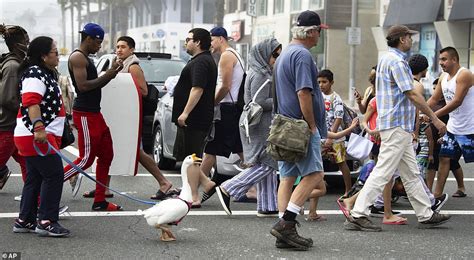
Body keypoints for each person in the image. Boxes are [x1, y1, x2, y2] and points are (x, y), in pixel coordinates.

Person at [344, 25, 450, 232]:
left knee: (410, 172)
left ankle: (426, 213)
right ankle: (358, 213)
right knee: (383, 171)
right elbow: (411, 93)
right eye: (409, 37)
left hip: (393, 124)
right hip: (397, 125)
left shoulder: (385, 59)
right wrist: (434, 119)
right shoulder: (398, 62)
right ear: (402, 39)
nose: (411, 40)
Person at [269, 10, 328, 251]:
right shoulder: (302, 56)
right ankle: (287, 223)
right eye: (319, 32)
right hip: (300, 127)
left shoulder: (284, 55)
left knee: (288, 177)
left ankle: (284, 231)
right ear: (312, 31)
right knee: (314, 175)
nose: (319, 36)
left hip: (284, 124)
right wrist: (312, 125)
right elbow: (304, 92)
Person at [210, 38, 282, 217]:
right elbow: (259, 102)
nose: (277, 58)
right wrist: (280, 102)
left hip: (256, 123)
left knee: (263, 161)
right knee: (268, 162)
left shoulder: (261, 71)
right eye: (275, 54)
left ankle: (267, 206)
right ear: (265, 54)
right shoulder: (261, 74)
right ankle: (228, 188)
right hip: (258, 123)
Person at [62, 23, 124, 211]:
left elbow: (94, 84)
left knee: (107, 154)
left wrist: (110, 73)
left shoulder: (85, 57)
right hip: (85, 114)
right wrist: (110, 75)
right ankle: (44, 188)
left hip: (94, 112)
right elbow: (84, 86)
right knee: (86, 159)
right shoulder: (77, 57)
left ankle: (100, 200)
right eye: (98, 42)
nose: (99, 46)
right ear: (88, 38)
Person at [13, 36, 70, 236]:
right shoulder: (35, 74)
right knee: (54, 175)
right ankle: (46, 221)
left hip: (34, 135)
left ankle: (25, 220)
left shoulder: (42, 72)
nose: (58, 55)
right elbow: (31, 101)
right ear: (44, 56)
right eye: (55, 52)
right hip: (35, 135)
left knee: (35, 178)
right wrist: (38, 127)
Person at [114, 36, 176, 200]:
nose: (119, 49)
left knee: (137, 151)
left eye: (123, 47)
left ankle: (164, 182)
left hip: (130, 114)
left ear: (131, 49)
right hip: (120, 113)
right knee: (109, 149)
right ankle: (102, 187)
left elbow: (143, 91)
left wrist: (121, 90)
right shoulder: (120, 64)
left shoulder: (133, 66)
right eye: (117, 46)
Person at [198, 27, 246, 203]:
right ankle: (254, 188)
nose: (210, 44)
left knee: (210, 150)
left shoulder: (227, 56)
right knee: (241, 151)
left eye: (211, 40)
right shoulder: (234, 54)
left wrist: (212, 104)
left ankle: (194, 191)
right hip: (232, 109)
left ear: (220, 39)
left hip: (227, 109)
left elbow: (225, 86)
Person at [171, 28, 217, 207]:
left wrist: (185, 113)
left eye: (188, 39)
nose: (185, 42)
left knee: (191, 159)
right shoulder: (202, 60)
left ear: (198, 42)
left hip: (195, 118)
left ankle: (194, 196)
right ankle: (206, 183)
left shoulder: (201, 62)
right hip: (197, 117)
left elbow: (197, 89)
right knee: (192, 158)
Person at [428, 46, 473, 199]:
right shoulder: (442, 78)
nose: (441, 63)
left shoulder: (464, 74)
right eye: (440, 59)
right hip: (454, 128)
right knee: (444, 158)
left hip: (471, 128)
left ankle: (459, 188)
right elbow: (434, 99)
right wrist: (422, 111)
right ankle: (437, 195)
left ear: (454, 59)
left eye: (444, 59)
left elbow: (457, 101)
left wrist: (433, 116)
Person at [0, 24, 28, 189]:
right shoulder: (13, 66)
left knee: (29, 166)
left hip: (15, 127)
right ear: (19, 45)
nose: (29, 44)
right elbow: (7, 98)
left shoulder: (16, 63)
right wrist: (29, 109)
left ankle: (35, 203)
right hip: (8, 127)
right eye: (27, 41)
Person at [426, 78, 465, 196]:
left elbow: (454, 120)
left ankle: (461, 187)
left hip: (448, 136)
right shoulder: (432, 104)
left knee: (453, 162)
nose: (435, 91)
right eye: (434, 89)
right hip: (433, 139)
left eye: (437, 89)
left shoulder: (450, 104)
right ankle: (429, 192)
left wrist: (446, 135)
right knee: (432, 164)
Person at [318, 69, 352, 197]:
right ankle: (318, 185)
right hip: (321, 136)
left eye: (324, 82)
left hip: (335, 138)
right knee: (316, 163)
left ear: (331, 82)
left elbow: (338, 118)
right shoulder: (318, 95)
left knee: (341, 163)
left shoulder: (336, 98)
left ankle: (348, 190)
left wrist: (330, 137)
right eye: (319, 82)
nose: (321, 85)